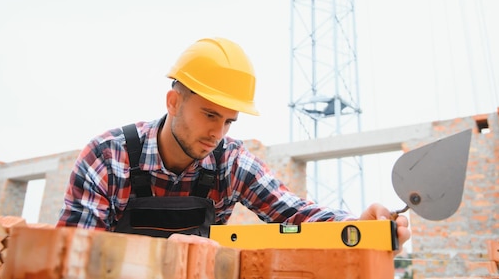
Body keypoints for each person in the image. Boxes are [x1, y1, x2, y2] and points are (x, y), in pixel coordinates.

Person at [57, 37, 410, 250]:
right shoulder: (107, 158)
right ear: (173, 103)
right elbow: (70, 257)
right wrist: (159, 256)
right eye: (210, 115)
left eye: (229, 121)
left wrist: (358, 226)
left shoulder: (231, 164)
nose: (218, 133)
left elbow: (294, 213)